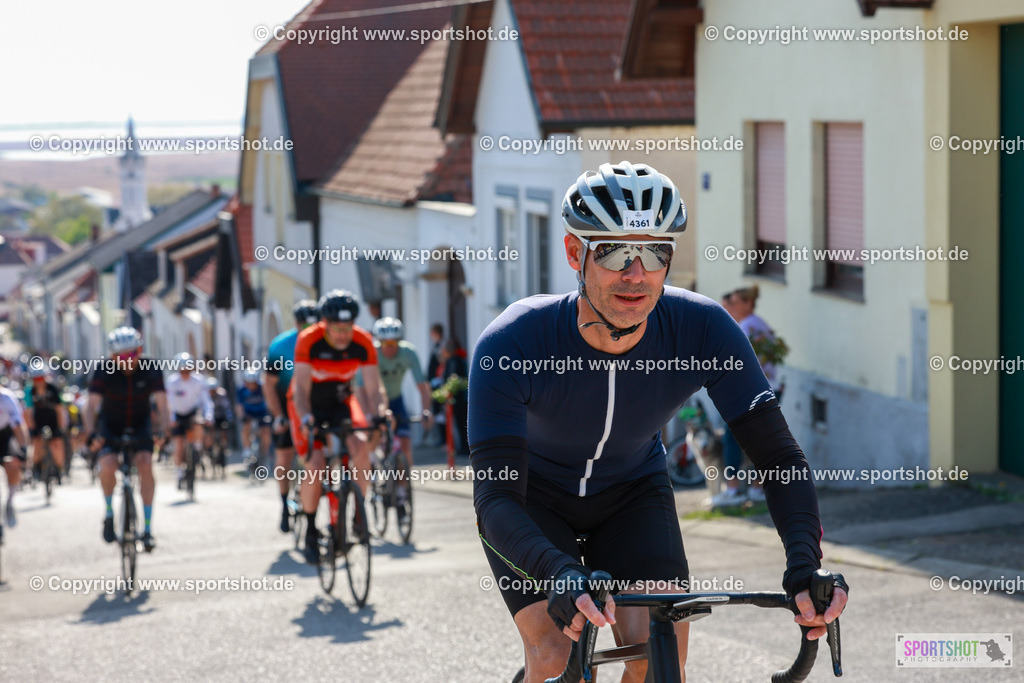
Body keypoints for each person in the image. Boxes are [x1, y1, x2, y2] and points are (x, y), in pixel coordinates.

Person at [469, 161, 846, 682]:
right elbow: (496, 498)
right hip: (532, 500)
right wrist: (558, 572)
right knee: (558, 656)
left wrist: (804, 564)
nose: (636, 273)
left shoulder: (703, 328)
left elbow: (779, 457)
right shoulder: (514, 342)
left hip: (632, 493)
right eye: (616, 252)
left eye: (654, 253)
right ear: (575, 253)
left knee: (655, 658)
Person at [289, 290, 389, 564]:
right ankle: (310, 529)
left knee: (360, 449)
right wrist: (307, 419)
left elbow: (373, 386)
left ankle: (358, 514)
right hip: (308, 402)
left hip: (340, 399)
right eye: (337, 329)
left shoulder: (363, 341)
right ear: (325, 324)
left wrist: (381, 411)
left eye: (348, 328)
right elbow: (300, 391)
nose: (343, 335)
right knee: (316, 463)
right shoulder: (308, 340)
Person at [84, 327, 168, 551]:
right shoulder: (102, 370)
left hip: (141, 425)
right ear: (112, 357)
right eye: (121, 357)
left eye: (133, 354)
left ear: (140, 350)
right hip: (110, 426)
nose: (128, 360)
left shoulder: (151, 368)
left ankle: (148, 528)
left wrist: (162, 430)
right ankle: (110, 513)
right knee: (108, 465)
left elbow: (162, 405)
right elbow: (91, 407)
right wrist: (91, 433)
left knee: (145, 464)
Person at [368, 317, 432, 522]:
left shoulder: (408, 353)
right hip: (373, 400)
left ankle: (402, 496)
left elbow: (422, 385)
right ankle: (372, 467)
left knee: (405, 448)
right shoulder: (372, 354)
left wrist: (426, 411)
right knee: (375, 437)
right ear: (379, 342)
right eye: (385, 343)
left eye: (394, 343)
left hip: (396, 401)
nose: (390, 348)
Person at [264, 299, 319, 533]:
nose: (308, 328)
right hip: (285, 405)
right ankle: (284, 504)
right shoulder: (280, 345)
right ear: (296, 323)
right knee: (284, 457)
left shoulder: (322, 342)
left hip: (313, 403)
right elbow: (268, 385)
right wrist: (278, 416)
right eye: (304, 324)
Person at [165, 352, 214, 489]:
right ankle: (179, 472)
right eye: (182, 371)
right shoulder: (172, 382)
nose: (185, 373)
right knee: (179, 444)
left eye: (187, 370)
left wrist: (209, 415)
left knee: (198, 422)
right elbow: (170, 402)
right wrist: (172, 418)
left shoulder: (199, 380)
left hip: (193, 412)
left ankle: (197, 448)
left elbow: (206, 401)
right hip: (178, 414)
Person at [23, 366, 68, 482]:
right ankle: (37, 466)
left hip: (53, 419)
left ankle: (59, 468)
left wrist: (61, 427)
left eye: (41, 379)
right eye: (36, 379)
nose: (38, 382)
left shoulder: (53, 389)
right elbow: (27, 412)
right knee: (36, 443)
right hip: (38, 419)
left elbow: (59, 410)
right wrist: (31, 428)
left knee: (57, 443)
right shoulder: (30, 391)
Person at [0, 382, 29, 527]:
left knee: (14, 465)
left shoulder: (6, 397)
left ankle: (10, 502)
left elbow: (18, 426)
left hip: (6, 435)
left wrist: (23, 449)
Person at [437, 338, 469, 455]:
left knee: (462, 425)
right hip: (458, 399)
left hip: (458, 399)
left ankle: (464, 448)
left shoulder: (454, 361)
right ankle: (462, 447)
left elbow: (452, 380)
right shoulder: (454, 360)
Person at [236, 367, 272, 464]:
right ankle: (247, 449)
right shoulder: (241, 389)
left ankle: (265, 452)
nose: (251, 385)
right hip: (248, 412)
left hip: (262, 412)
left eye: (253, 383)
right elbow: (239, 405)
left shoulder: (262, 387)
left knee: (266, 431)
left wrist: (270, 412)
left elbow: (269, 400)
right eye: (249, 383)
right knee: (246, 427)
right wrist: (241, 415)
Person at [426, 323, 445, 445]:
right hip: (434, 383)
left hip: (439, 383)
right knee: (437, 412)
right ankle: (441, 438)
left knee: (441, 413)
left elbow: (442, 363)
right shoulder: (436, 346)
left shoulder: (442, 346)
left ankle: (444, 440)